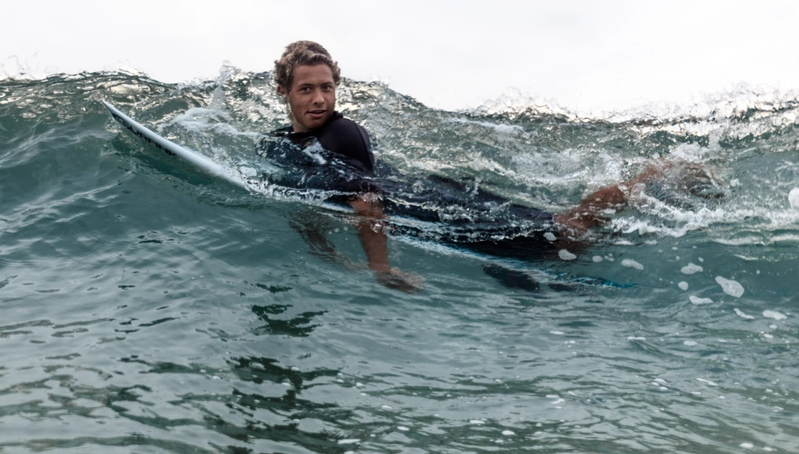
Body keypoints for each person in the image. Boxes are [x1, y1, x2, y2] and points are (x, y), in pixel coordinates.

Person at [264, 41, 719, 290]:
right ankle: (651, 200)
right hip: (426, 201)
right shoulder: (285, 144)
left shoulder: (341, 132)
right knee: (563, 242)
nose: (320, 98)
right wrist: (323, 249)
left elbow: (367, 204)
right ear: (284, 92)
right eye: (306, 89)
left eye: (326, 87)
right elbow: (307, 198)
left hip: (430, 203)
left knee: (568, 232)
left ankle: (658, 173)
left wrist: (381, 270)